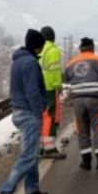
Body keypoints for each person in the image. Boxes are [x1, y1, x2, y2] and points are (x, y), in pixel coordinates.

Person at [0, 29, 49, 194]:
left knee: (31, 152)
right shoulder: (30, 63)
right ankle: (5, 193)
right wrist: (40, 109)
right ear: (38, 45)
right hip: (28, 113)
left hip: (19, 111)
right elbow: (32, 91)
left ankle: (32, 190)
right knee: (28, 156)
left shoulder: (19, 60)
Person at [64, 38, 98, 172]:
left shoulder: (71, 63)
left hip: (77, 100)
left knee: (82, 130)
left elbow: (66, 80)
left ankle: (86, 162)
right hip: (95, 99)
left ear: (80, 49)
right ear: (92, 48)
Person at [38, 26, 67, 159]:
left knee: (43, 117)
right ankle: (49, 149)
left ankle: (42, 146)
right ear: (53, 37)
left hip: (39, 89)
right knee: (51, 117)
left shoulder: (39, 49)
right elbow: (55, 71)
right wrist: (58, 85)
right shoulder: (52, 50)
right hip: (50, 89)